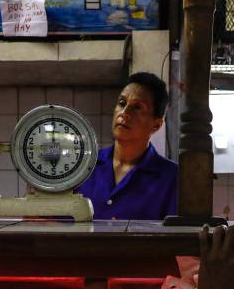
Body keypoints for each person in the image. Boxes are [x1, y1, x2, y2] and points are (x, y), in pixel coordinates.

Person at [76, 72, 177, 220]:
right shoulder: (84, 167)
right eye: (122, 103)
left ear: (156, 125)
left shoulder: (171, 178)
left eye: (137, 107)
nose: (124, 113)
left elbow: (176, 239)